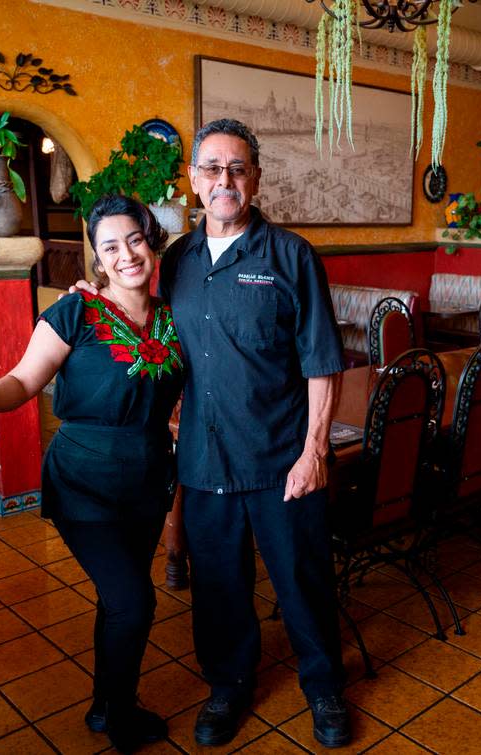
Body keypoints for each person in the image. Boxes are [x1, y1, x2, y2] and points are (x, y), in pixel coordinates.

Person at [130, 117, 350, 748]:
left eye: (237, 169)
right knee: (220, 587)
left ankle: (324, 689)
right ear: (195, 179)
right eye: (212, 169)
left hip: (283, 458)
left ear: (254, 179)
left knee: (303, 580)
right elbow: (145, 332)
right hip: (204, 460)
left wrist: (313, 451)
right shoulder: (176, 262)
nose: (224, 180)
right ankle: (228, 687)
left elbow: (321, 361)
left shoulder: (291, 256)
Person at [0, 195, 184, 753]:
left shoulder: (174, 317)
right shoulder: (75, 312)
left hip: (146, 481)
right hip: (84, 482)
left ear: (152, 241)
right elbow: (22, 382)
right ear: (97, 258)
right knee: (135, 601)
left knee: (117, 600)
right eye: (111, 247)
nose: (127, 255)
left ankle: (102, 704)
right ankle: (121, 715)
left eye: (136, 240)